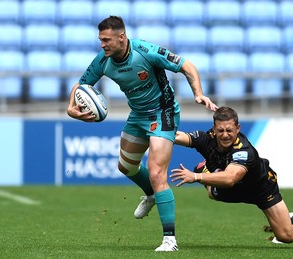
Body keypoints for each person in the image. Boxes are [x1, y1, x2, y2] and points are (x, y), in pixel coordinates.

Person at [66, 16, 218, 252]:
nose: (102, 45)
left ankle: (170, 240)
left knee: (158, 173)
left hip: (162, 113)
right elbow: (81, 84)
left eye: (106, 40)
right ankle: (150, 194)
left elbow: (187, 66)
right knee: (126, 167)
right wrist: (70, 108)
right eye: (100, 40)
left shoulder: (146, 51)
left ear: (121, 37)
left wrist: (198, 93)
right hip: (138, 115)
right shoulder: (103, 60)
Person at [169, 106, 293, 244]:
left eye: (229, 130)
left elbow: (230, 178)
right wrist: (154, 133)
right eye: (220, 130)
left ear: (238, 128)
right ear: (214, 129)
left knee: (286, 237)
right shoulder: (206, 139)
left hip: (261, 188)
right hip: (234, 189)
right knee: (213, 193)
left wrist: (196, 177)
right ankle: (205, 169)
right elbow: (175, 136)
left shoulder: (244, 150)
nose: (225, 135)